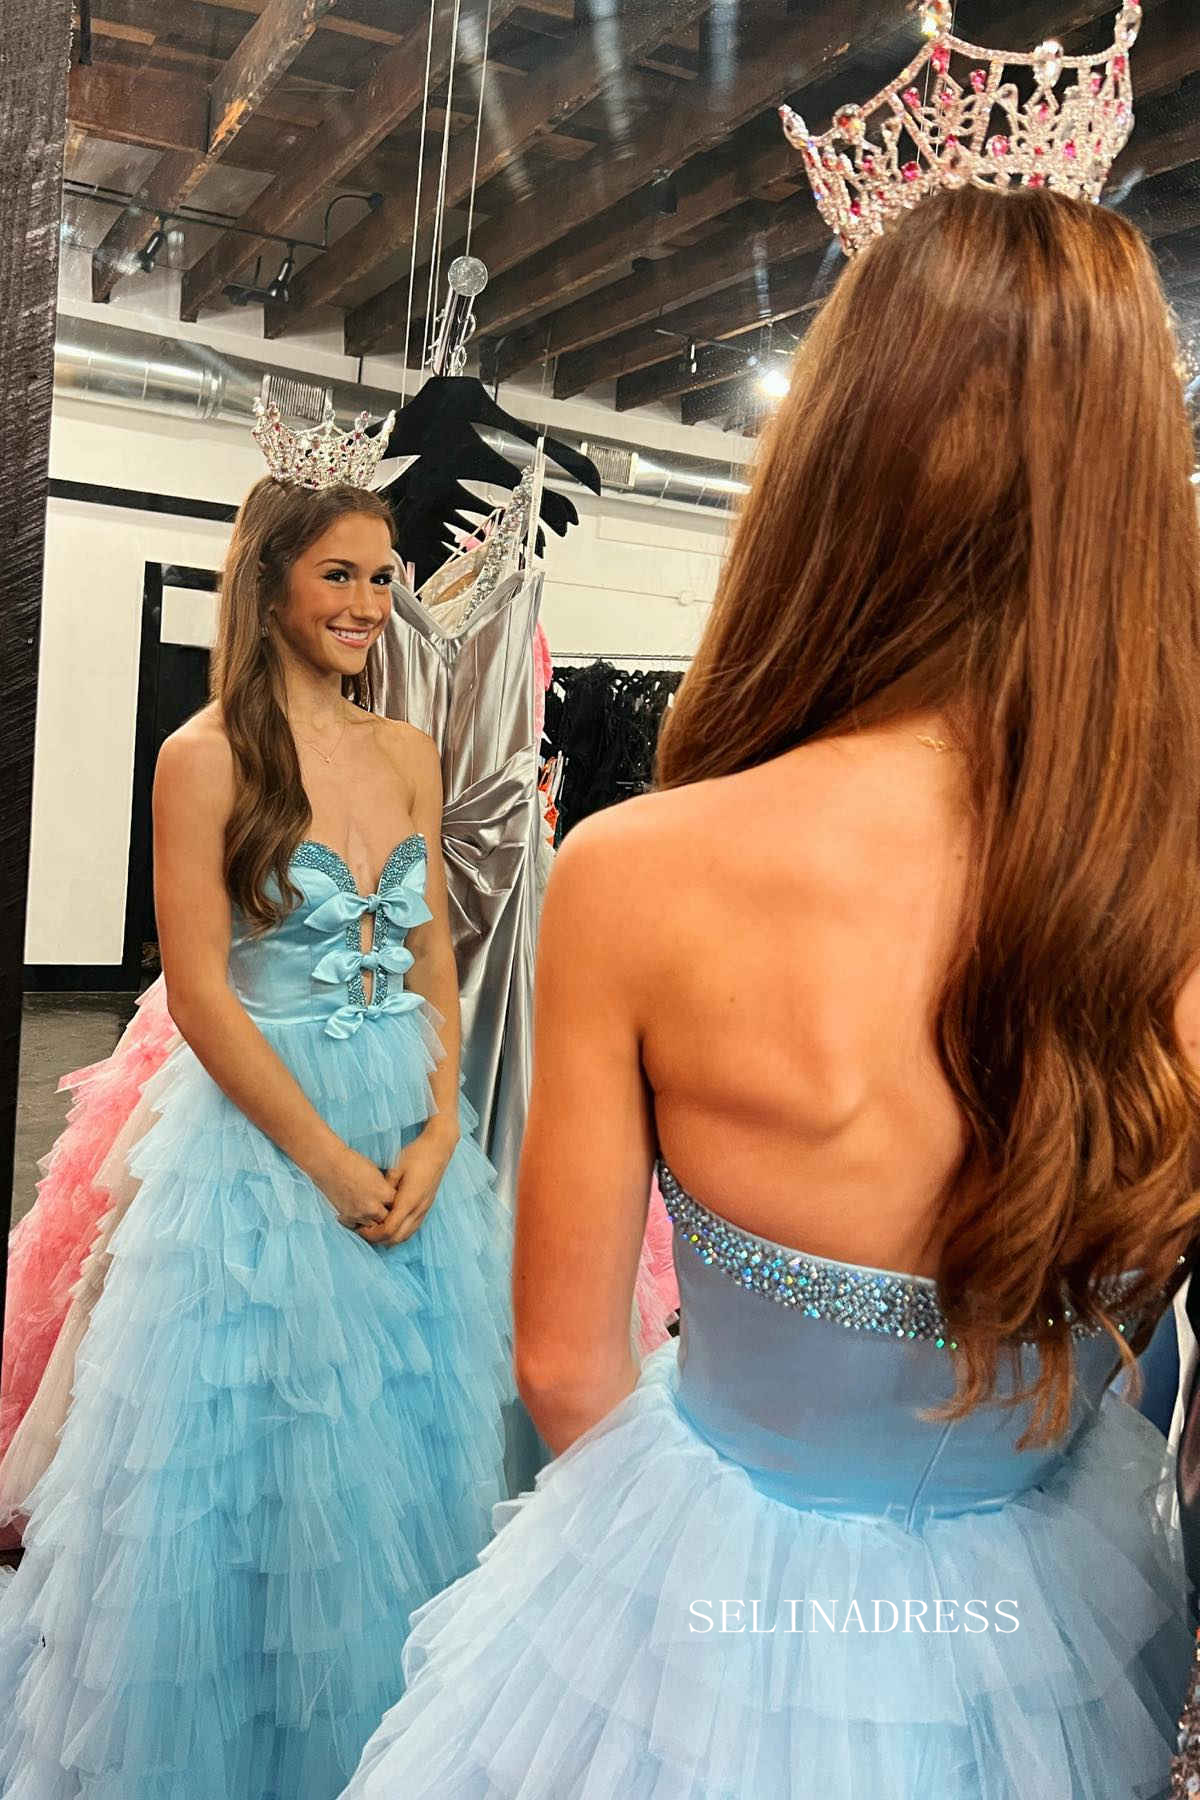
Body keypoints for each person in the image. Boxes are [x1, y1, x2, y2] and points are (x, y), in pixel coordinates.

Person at [339, 185, 1200, 1799]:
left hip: (711, 1606)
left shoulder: (638, 870)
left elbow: (565, 1367)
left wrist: (670, 1607)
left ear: (838, 464)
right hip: (1055, 1621)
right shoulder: (1168, 896)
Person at [0, 447, 513, 1798]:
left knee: (397, 1436)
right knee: (257, 1447)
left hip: (408, 1117)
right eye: (339, 574)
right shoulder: (204, 756)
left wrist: (441, 1129)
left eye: (382, 580)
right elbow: (202, 995)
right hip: (263, 1142)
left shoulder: (410, 751)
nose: (365, 604)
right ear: (271, 580)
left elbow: (433, 957)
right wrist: (329, 1162)